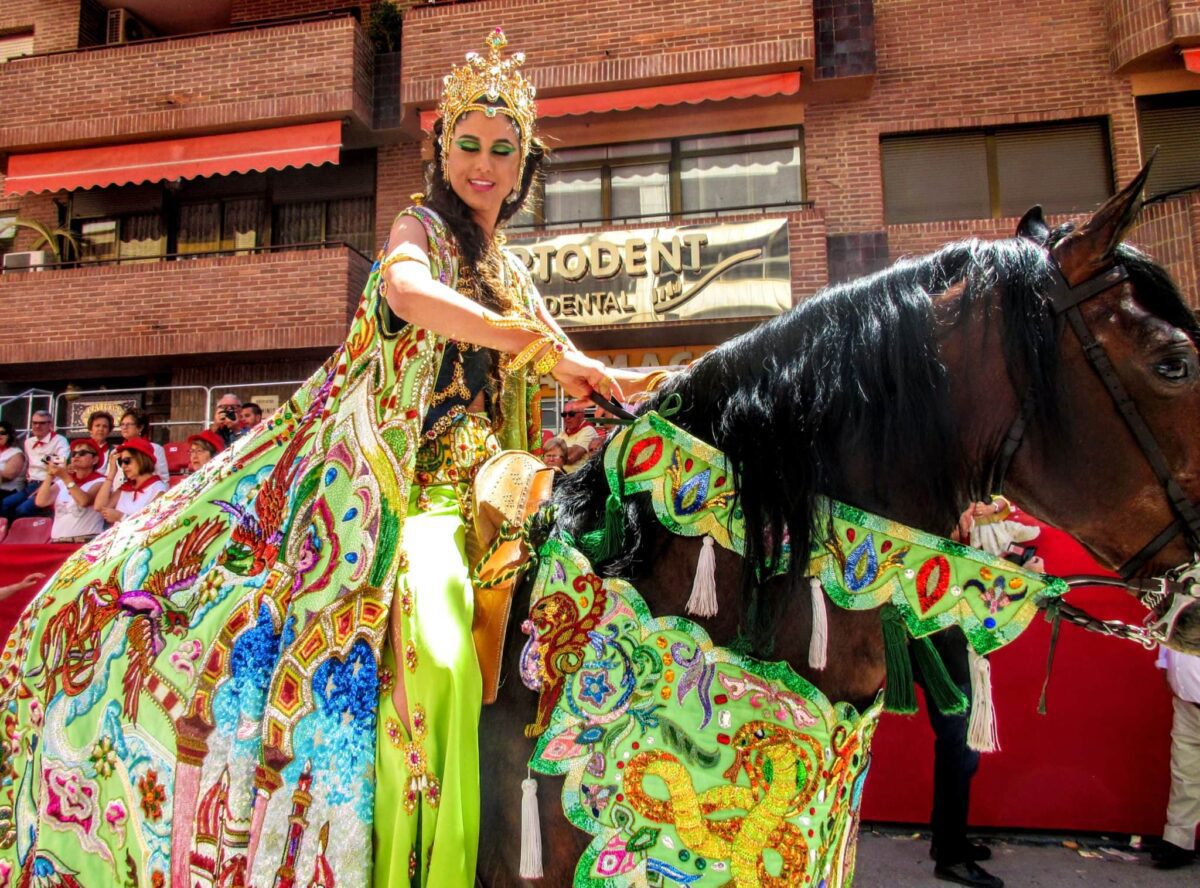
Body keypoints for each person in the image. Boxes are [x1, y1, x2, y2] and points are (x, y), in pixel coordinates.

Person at [0, 29, 650, 888]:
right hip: (414, 506)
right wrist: (533, 345)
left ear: (523, 164)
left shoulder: (512, 272)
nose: (484, 166)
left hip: (508, 502)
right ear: (440, 151)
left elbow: (573, 366)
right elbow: (405, 291)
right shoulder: (422, 229)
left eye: (503, 151)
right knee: (444, 652)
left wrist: (627, 382)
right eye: (468, 146)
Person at [1152, 648, 1200, 869]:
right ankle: (1178, 841)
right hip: (1187, 701)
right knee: (1184, 772)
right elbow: (1170, 633)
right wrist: (1165, 664)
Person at [33, 438, 106, 543]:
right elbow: (41, 501)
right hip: (57, 541)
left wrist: (66, 477)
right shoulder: (63, 480)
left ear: (95, 460)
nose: (76, 456)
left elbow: (84, 501)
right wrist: (50, 474)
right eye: (74, 453)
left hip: (84, 542)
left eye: (83, 453)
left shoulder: (101, 480)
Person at [1, 410, 68, 520]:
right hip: (30, 484)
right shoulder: (28, 442)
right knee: (4, 504)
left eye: (42, 423)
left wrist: (46, 459)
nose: (37, 426)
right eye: (34, 423)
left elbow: (61, 462)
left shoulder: (60, 440)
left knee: (22, 509)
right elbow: (27, 465)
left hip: (49, 483)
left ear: (50, 424)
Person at [94, 438, 167, 523]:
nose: (123, 466)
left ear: (141, 459)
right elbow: (99, 507)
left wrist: (121, 517)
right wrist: (111, 473)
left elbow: (153, 522)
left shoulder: (158, 489)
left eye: (127, 461)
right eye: (121, 462)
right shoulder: (126, 488)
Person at [116, 409, 169, 486]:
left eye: (128, 424)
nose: (124, 427)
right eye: (122, 424)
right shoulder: (116, 451)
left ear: (140, 427)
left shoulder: (155, 448)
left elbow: (163, 479)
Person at [559, 398, 598, 473]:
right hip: (560, 477)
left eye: (571, 414)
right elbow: (548, 454)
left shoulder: (588, 430)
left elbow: (571, 457)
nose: (567, 417)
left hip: (576, 480)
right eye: (564, 414)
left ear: (582, 415)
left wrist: (554, 453)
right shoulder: (562, 434)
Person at [0, 420, 25, 502]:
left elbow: (8, 476)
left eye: (2, 433)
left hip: (8, 491)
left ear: (9, 435)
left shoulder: (16, 453)